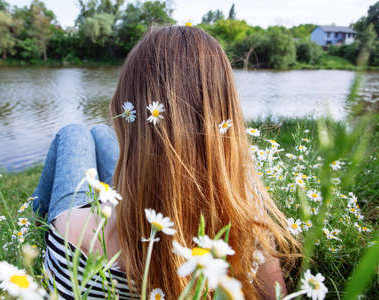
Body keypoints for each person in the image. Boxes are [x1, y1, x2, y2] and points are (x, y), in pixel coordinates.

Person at [32, 26, 300, 300]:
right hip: (154, 210)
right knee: (100, 135)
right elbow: (274, 295)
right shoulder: (245, 222)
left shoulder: (72, 232)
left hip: (120, 223)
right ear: (227, 116)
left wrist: (89, 212)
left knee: (74, 133)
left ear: (125, 111)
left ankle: (35, 216)